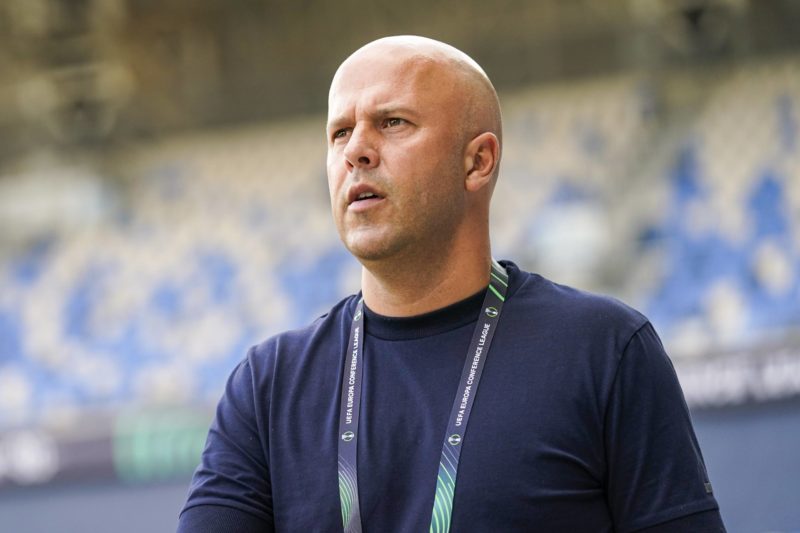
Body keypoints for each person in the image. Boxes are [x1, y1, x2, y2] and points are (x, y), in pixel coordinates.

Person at [178, 36, 725, 532]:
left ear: (478, 161)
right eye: (340, 132)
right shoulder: (269, 384)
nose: (356, 151)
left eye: (392, 123)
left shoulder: (605, 350)